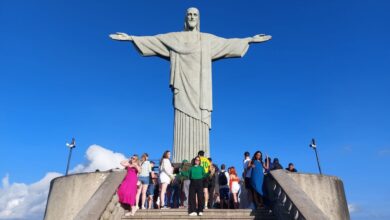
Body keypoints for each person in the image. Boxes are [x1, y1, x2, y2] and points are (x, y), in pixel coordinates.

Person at [109, 7, 272, 163]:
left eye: (195, 14)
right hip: (182, 86)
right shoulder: (175, 38)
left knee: (201, 118)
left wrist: (249, 40)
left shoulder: (207, 39)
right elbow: (155, 40)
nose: (192, 17)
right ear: (185, 18)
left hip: (201, 90)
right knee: (181, 116)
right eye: (189, 14)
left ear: (199, 19)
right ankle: (181, 160)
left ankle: (201, 160)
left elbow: (228, 44)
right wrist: (131, 38)